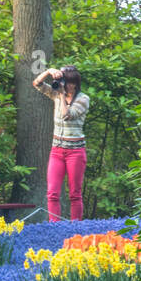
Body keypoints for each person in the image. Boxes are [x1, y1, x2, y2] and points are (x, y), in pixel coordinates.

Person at [32, 64, 90, 222]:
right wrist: (49, 71)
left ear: (76, 83)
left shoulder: (83, 99)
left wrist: (62, 95)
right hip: (57, 150)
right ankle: (54, 228)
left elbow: (67, 115)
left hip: (75, 152)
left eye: (69, 82)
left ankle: (75, 227)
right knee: (52, 193)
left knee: (75, 194)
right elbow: (36, 83)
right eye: (64, 81)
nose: (67, 85)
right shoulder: (57, 94)